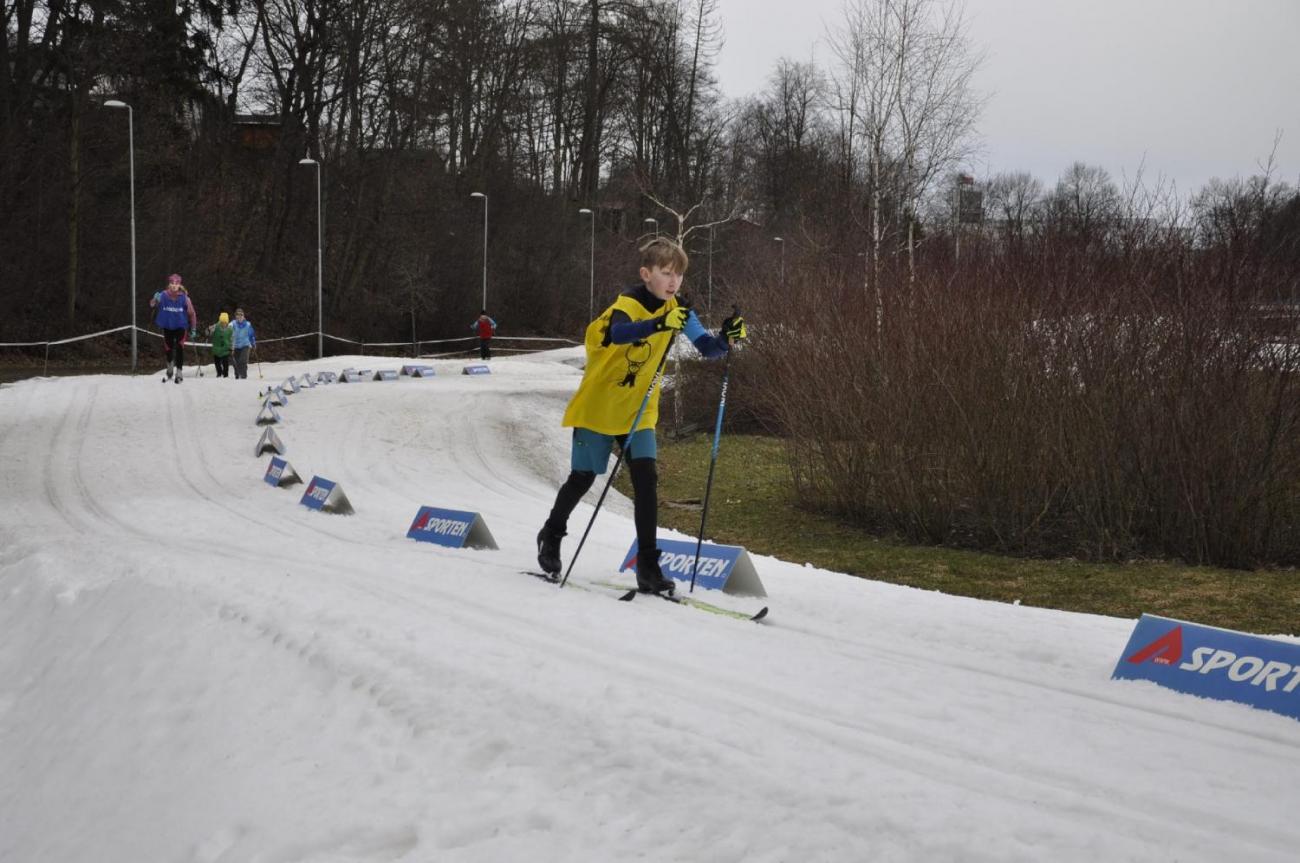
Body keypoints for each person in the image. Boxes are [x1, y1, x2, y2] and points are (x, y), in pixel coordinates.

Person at [535, 238, 746, 593]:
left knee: (646, 480)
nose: (674, 281)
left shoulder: (678, 308)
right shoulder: (628, 303)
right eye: (666, 273)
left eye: (679, 274)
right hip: (599, 405)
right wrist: (660, 325)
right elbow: (619, 333)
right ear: (646, 274)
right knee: (583, 478)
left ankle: (648, 565)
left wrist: (726, 338)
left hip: (640, 410)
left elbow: (707, 349)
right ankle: (551, 534)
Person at [149, 274, 197, 383]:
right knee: (168, 348)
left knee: (180, 348)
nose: (174, 286)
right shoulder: (163, 295)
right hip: (168, 326)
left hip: (181, 326)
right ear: (169, 284)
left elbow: (192, 314)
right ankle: (170, 367)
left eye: (176, 283)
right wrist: (155, 299)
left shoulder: (185, 298)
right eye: (172, 283)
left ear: (179, 285)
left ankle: (179, 372)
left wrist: (193, 328)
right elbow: (152, 305)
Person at [230, 308, 257, 379]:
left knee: (243, 360)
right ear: (235, 316)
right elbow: (228, 328)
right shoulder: (233, 323)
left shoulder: (248, 324)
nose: (239, 317)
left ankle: (244, 376)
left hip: (245, 345)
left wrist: (253, 343)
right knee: (236, 363)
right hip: (236, 346)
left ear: (243, 316)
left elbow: (251, 335)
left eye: (240, 315)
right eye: (237, 315)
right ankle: (238, 376)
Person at [207, 312, 233, 378]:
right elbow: (208, 334)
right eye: (222, 322)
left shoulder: (230, 329)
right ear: (220, 321)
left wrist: (231, 347)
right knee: (217, 363)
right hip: (216, 349)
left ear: (227, 322)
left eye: (225, 322)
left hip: (225, 349)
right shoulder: (215, 326)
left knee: (225, 363)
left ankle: (225, 375)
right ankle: (219, 373)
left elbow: (232, 339)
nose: (223, 324)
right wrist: (209, 330)